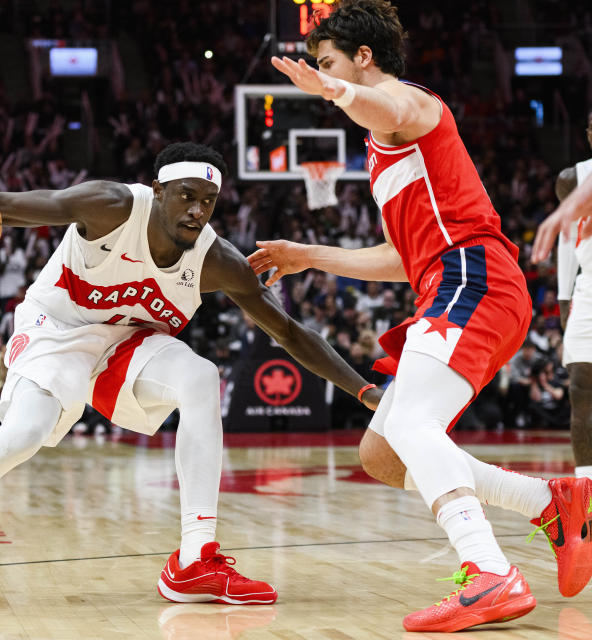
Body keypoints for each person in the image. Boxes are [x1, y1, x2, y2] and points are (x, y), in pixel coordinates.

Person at [0, 141, 384, 606]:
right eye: (187, 196)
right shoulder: (112, 206)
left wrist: (363, 389)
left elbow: (289, 332)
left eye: (208, 202)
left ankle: (195, 559)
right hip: (60, 327)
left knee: (199, 377)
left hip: (128, 344)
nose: (197, 211)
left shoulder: (218, 261)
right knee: (22, 436)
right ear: (159, 191)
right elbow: (3, 206)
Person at [247, 1, 592, 631]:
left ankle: (489, 570)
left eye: (328, 63)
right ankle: (549, 500)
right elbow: (399, 257)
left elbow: (393, 106)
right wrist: (307, 256)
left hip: (474, 277)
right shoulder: (383, 149)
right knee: (382, 451)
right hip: (446, 284)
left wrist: (333, 87)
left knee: (413, 421)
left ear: (363, 58)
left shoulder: (411, 106)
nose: (323, 77)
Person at [550, 110, 592, 480]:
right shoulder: (573, 178)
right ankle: (587, 491)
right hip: (589, 289)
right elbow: (566, 238)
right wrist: (564, 297)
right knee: (581, 387)